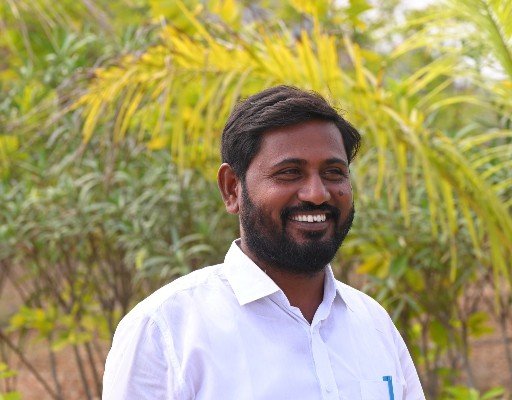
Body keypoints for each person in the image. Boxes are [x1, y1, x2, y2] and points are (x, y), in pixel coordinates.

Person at [102, 85, 425, 399]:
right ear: (232, 188)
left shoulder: (373, 324)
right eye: (289, 172)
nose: (317, 193)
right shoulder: (165, 331)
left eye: (333, 172)